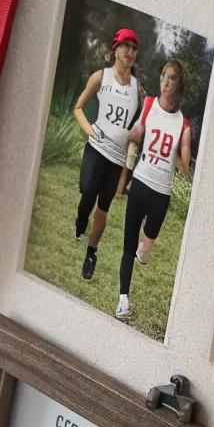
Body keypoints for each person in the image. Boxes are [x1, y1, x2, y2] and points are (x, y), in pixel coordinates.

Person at [115, 60, 192, 321]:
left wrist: (185, 158)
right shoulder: (148, 106)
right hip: (141, 183)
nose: (166, 82)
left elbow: (183, 163)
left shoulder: (183, 124)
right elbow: (136, 134)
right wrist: (134, 134)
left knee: (145, 249)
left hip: (161, 194)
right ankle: (123, 300)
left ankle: (144, 251)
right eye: (163, 76)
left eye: (172, 78)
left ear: (178, 84)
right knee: (128, 245)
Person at [73, 28, 143, 282]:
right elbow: (78, 108)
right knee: (88, 192)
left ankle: (91, 253)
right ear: (115, 49)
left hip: (116, 159)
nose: (130, 52)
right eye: (126, 46)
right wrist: (90, 130)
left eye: (134, 48)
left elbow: (141, 123)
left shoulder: (138, 89)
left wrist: (129, 165)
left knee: (103, 208)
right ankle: (80, 220)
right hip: (96, 148)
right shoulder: (100, 77)